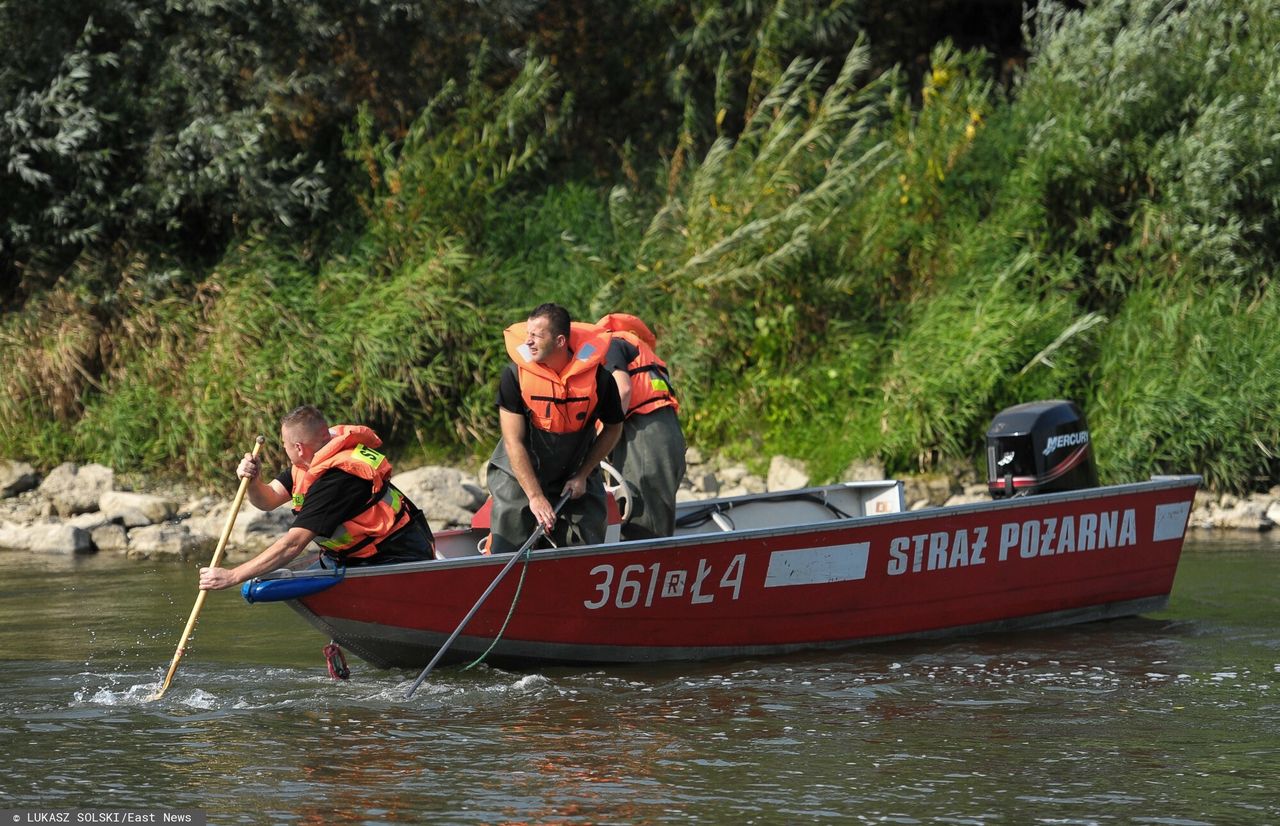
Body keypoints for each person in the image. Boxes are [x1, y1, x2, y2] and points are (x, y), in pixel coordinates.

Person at [199, 405, 434, 590]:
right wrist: (253, 482)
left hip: (394, 557)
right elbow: (267, 500)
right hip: (354, 557)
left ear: (299, 447)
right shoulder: (308, 462)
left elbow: (293, 544)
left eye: (284, 445)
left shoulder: (337, 479)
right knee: (270, 582)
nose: (284, 450)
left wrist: (233, 575)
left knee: (263, 579)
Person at [486, 303, 624, 553]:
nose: (527, 342)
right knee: (510, 526)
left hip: (575, 469)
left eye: (536, 336)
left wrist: (583, 474)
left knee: (589, 528)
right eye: (527, 334)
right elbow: (512, 441)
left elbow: (614, 428)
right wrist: (535, 496)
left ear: (560, 341)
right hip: (521, 469)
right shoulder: (514, 376)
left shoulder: (600, 379)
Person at [597, 313, 687, 540]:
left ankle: (646, 569)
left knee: (641, 516)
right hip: (666, 431)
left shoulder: (610, 343)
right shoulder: (639, 351)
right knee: (655, 510)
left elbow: (623, 389)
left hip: (643, 433)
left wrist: (601, 442)